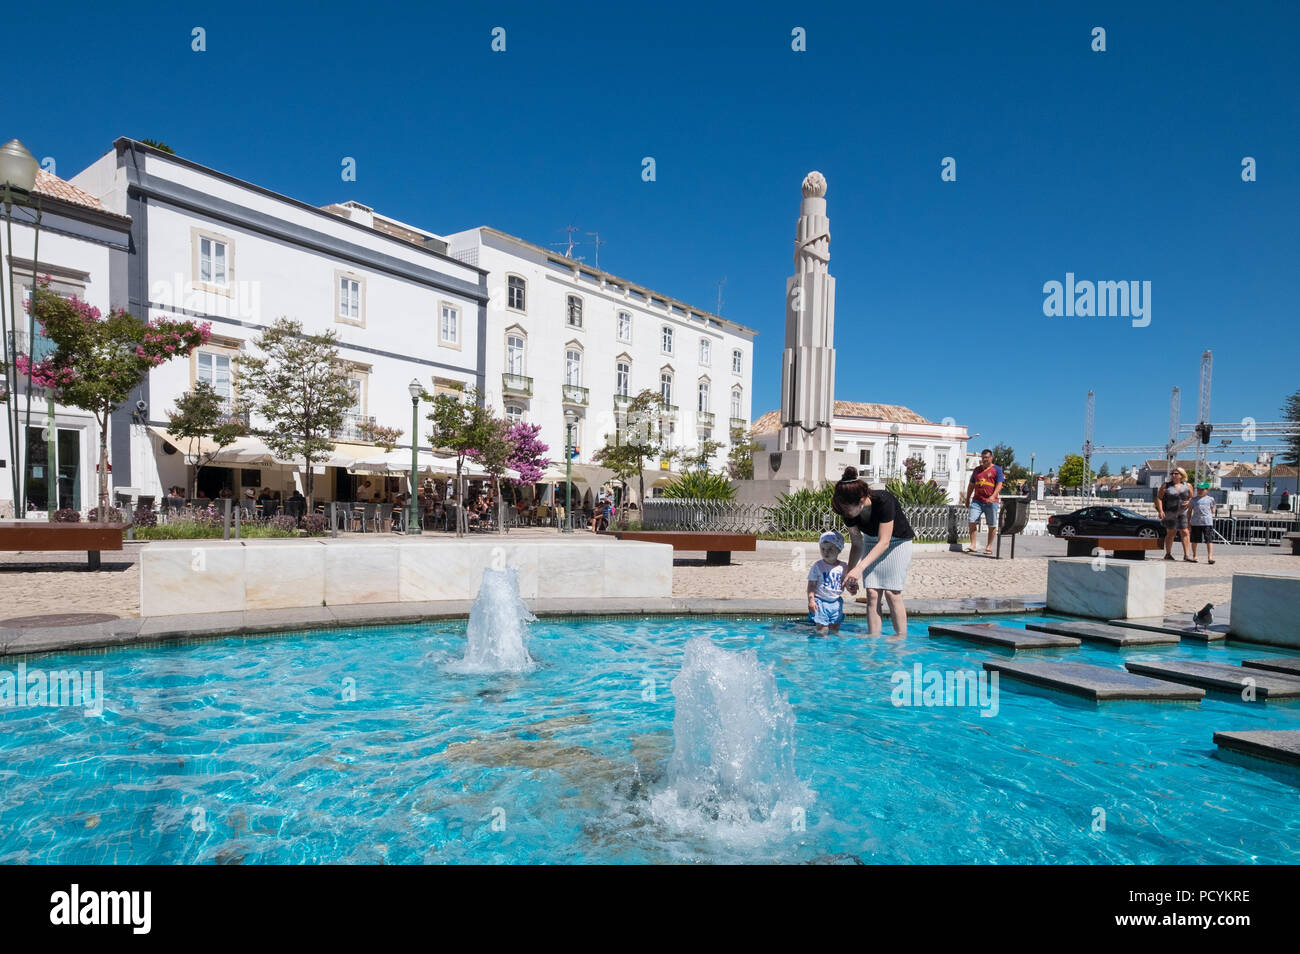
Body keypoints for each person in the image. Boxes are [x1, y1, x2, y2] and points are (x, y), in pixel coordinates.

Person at [832, 466, 915, 637]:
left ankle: (900, 637)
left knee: (892, 592)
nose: (845, 513)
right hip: (871, 542)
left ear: (862, 500)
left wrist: (860, 568)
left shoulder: (884, 501)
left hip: (897, 543)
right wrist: (849, 574)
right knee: (872, 593)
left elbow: (884, 542)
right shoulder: (848, 512)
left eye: (847, 509)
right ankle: (874, 637)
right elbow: (856, 542)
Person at [962, 448, 1004, 555]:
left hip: (991, 501)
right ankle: (973, 545)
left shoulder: (997, 469)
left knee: (992, 524)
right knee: (972, 521)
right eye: (983, 458)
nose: (984, 460)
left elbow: (999, 484)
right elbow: (971, 485)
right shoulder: (977, 470)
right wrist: (967, 499)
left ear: (991, 458)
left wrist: (993, 496)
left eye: (986, 458)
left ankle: (989, 546)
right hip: (977, 500)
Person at [806, 531, 848, 636]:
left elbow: (846, 582)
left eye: (830, 549)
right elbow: (811, 585)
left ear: (839, 550)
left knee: (836, 625)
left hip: (836, 602)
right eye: (823, 549)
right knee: (822, 627)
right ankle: (822, 642)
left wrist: (852, 586)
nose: (825, 552)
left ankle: (834, 642)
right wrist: (811, 600)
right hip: (820, 601)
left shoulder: (843, 567)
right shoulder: (818, 566)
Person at [1157, 467, 1193, 561]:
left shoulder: (1188, 485)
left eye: (1176, 473)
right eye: (1172, 473)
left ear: (1181, 475)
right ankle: (1168, 553)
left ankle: (1187, 555)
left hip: (1183, 512)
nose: (1173, 475)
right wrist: (1161, 511)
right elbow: (1159, 498)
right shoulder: (1166, 485)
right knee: (1171, 533)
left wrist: (1189, 501)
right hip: (1170, 512)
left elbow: (1191, 497)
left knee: (1185, 532)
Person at [1188, 481, 1217, 564]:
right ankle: (1195, 556)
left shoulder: (1210, 499)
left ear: (1206, 490)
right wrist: (1188, 522)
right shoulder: (1193, 500)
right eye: (1198, 489)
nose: (1200, 491)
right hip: (1195, 522)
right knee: (1194, 540)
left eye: (1202, 490)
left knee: (1209, 540)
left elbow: (1213, 508)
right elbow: (1189, 511)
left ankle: (1210, 557)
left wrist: (1212, 511)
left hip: (1207, 522)